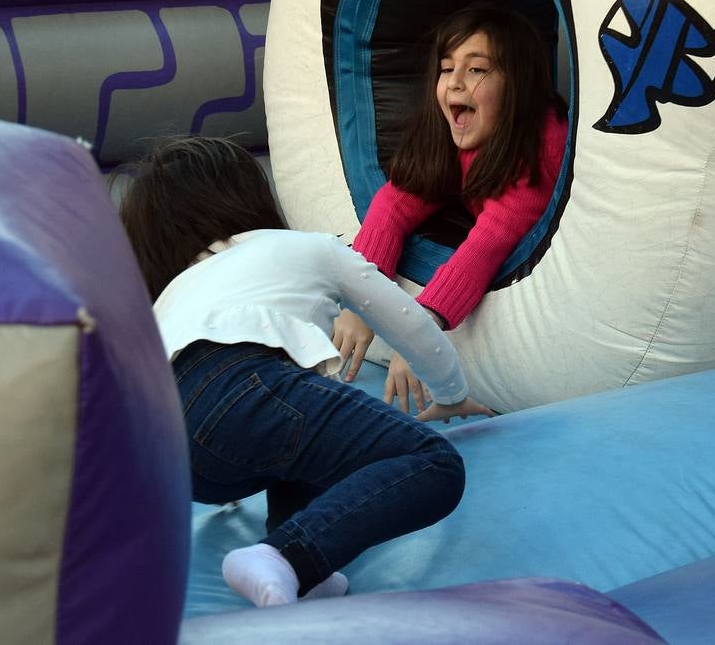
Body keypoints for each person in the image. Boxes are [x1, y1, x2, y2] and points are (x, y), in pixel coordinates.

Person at [119, 137, 492, 609]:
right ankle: (287, 556)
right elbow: (409, 323)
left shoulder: (170, 296)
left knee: (299, 432)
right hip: (242, 387)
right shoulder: (304, 247)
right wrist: (451, 391)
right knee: (433, 463)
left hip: (169, 456)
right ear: (249, 196)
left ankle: (303, 571)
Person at [333, 4, 569, 412]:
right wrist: (361, 300)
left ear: (518, 84)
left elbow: (490, 240)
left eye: (477, 70)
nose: (455, 84)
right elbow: (394, 203)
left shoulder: (538, 147)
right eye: (446, 69)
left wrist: (418, 334)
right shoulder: (454, 132)